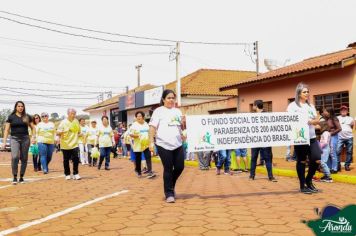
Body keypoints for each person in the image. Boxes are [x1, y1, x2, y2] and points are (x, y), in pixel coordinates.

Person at [149, 89, 185, 203]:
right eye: (169, 98)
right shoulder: (158, 111)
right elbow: (152, 128)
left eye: (173, 98)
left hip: (178, 144)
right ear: (163, 99)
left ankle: (170, 185)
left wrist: (184, 123)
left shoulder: (178, 112)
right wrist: (151, 142)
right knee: (168, 168)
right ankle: (169, 193)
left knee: (180, 167)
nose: (171, 100)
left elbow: (181, 128)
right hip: (163, 144)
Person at [287, 83, 321, 194]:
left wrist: (316, 121)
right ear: (298, 93)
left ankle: (308, 180)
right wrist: (310, 121)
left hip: (311, 137)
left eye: (307, 91)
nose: (307, 93)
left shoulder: (310, 106)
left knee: (317, 159)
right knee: (301, 161)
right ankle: (302, 186)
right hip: (300, 137)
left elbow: (316, 118)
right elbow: (289, 119)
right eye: (304, 92)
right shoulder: (293, 106)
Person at [1, 101, 36, 184]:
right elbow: (6, 130)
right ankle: (15, 176)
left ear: (23, 107)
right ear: (16, 107)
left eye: (22, 106)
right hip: (14, 139)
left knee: (24, 158)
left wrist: (33, 137)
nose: (20, 107)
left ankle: (21, 177)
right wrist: (4, 142)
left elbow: (33, 128)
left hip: (25, 139)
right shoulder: (11, 117)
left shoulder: (27, 117)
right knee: (15, 157)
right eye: (19, 106)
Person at [250, 100, 277, 182]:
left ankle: (269, 176)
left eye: (253, 105)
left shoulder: (266, 115)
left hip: (264, 140)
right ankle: (252, 175)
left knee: (266, 159)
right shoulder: (253, 116)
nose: (252, 107)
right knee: (255, 158)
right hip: (256, 140)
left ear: (256, 106)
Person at [57, 108, 81, 180]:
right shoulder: (63, 122)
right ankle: (67, 174)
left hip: (74, 144)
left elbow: (79, 131)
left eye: (74, 114)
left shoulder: (76, 121)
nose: (73, 115)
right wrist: (63, 132)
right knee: (66, 160)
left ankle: (75, 173)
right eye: (72, 114)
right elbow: (57, 132)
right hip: (65, 144)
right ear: (68, 114)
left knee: (76, 159)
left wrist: (81, 134)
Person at [130, 111, 155, 178]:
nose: (138, 117)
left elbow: (149, 133)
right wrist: (137, 136)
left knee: (148, 157)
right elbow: (131, 134)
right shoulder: (134, 125)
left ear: (143, 117)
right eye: (137, 116)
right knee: (138, 159)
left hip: (146, 144)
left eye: (140, 116)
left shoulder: (146, 124)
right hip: (138, 144)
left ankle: (150, 171)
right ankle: (138, 171)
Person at [322, 107, 341, 173]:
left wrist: (331, 133)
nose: (324, 112)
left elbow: (339, 128)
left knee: (332, 153)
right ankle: (329, 168)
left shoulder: (334, 119)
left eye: (325, 111)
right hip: (328, 137)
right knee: (328, 152)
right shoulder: (327, 119)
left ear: (329, 112)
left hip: (334, 137)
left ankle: (335, 169)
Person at [336, 105, 354, 171]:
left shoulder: (350, 118)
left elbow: (353, 127)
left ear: (347, 111)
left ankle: (347, 165)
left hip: (349, 137)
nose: (343, 111)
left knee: (349, 152)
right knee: (337, 151)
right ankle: (338, 166)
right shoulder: (337, 118)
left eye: (345, 110)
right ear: (340, 111)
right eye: (342, 110)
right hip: (340, 137)